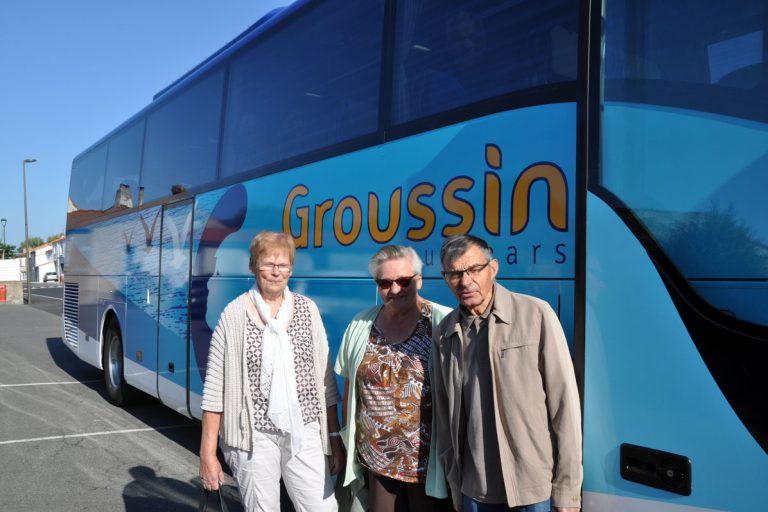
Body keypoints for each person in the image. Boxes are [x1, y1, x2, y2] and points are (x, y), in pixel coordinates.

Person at [432, 234, 582, 512]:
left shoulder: (535, 314)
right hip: (475, 489)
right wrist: (455, 487)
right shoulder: (445, 333)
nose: (465, 281)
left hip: (533, 488)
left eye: (474, 270)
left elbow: (565, 406)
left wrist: (568, 490)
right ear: (445, 278)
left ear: (493, 268)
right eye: (454, 274)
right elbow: (444, 417)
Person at [199, 230, 344, 512]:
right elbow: (215, 390)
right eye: (268, 264)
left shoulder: (308, 311)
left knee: (322, 507)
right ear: (252, 266)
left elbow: (325, 381)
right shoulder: (233, 316)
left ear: (291, 269)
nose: (276, 272)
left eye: (283, 265)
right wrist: (207, 454)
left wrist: (334, 439)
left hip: (304, 429)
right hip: (253, 436)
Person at [335, 245, 452, 512]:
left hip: (430, 467)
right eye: (385, 283)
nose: (395, 289)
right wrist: (345, 440)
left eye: (403, 281)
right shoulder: (361, 324)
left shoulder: (443, 322)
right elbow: (351, 388)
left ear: (419, 280)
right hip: (378, 464)